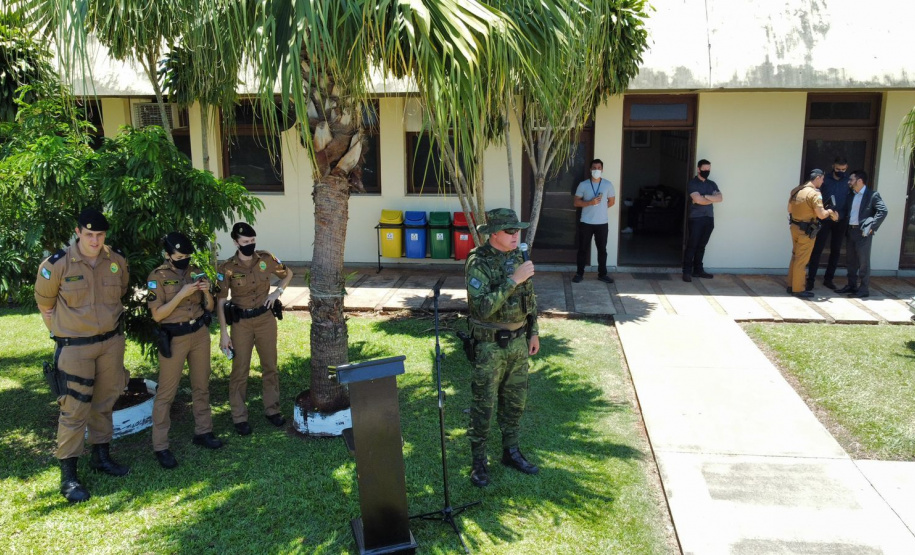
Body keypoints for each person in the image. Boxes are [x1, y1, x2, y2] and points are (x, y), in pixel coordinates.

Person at [35, 208, 131, 503]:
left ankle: (101, 457)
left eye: (99, 234)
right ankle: (69, 476)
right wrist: (65, 335)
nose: (94, 240)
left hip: (110, 344)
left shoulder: (116, 262)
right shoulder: (57, 265)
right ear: (78, 233)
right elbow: (46, 306)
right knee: (74, 410)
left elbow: (122, 292)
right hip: (75, 348)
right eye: (89, 234)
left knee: (104, 402)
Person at [464, 208, 541, 488]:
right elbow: (482, 308)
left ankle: (511, 451)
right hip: (489, 346)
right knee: (484, 404)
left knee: (515, 403)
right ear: (493, 233)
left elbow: (530, 299)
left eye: (517, 230)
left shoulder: (520, 257)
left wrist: (533, 332)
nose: (515, 235)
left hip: (519, 343)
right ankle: (478, 461)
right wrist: (513, 280)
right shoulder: (478, 261)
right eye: (509, 231)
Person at [147, 232, 222, 469]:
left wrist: (207, 290)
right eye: (179, 256)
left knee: (201, 386)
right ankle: (161, 446)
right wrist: (182, 294)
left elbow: (208, 306)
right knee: (166, 393)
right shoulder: (157, 277)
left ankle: (204, 432)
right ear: (168, 255)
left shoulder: (195, 271)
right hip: (174, 337)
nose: (184, 260)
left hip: (199, 335)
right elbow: (157, 314)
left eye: (187, 256)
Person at [216, 223, 293, 435]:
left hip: (265, 320)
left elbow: (288, 274)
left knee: (270, 366)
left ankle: (272, 410)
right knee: (240, 370)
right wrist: (224, 333)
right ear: (235, 242)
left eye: (252, 241)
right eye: (245, 242)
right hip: (241, 323)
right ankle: (239, 416)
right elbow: (221, 301)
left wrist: (277, 292)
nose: (250, 245)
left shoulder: (266, 258)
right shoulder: (227, 268)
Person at [836, 170, 888, 298]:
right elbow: (846, 211)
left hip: (863, 233)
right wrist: (836, 215)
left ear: (859, 181)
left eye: (851, 180)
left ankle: (864, 289)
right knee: (850, 261)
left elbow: (883, 210)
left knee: (863, 262)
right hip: (851, 231)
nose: (849, 182)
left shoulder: (872, 195)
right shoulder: (851, 195)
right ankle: (851, 286)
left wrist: (872, 227)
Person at [787, 169, 838, 297]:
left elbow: (789, 209)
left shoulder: (797, 190)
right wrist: (830, 212)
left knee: (795, 255)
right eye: (822, 179)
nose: (823, 182)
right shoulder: (815, 194)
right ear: (818, 178)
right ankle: (798, 289)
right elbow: (821, 215)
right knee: (802, 259)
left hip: (794, 226)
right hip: (806, 230)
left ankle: (791, 285)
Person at [806, 157, 850, 290]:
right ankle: (811, 280)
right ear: (833, 166)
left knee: (836, 251)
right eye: (838, 169)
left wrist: (840, 215)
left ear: (846, 168)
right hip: (823, 218)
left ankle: (828, 279)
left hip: (840, 220)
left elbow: (849, 202)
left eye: (843, 169)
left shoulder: (848, 181)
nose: (840, 171)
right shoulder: (825, 180)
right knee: (817, 250)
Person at [572, 158, 616, 283]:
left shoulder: (608, 184)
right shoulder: (583, 184)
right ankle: (579, 274)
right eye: (594, 168)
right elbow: (576, 202)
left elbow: (612, 202)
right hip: (586, 222)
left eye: (599, 168)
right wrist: (590, 203)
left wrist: (600, 208)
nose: (596, 170)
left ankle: (602, 274)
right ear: (590, 169)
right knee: (582, 249)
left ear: (602, 170)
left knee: (602, 250)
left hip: (602, 223)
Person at [683, 159, 722, 282]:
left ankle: (698, 270)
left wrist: (704, 196)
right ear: (698, 169)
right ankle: (687, 272)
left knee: (702, 245)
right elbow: (697, 200)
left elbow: (720, 198)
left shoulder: (712, 184)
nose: (707, 171)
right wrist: (711, 199)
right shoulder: (693, 183)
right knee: (692, 245)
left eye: (708, 169)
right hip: (696, 218)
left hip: (709, 218)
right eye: (704, 169)